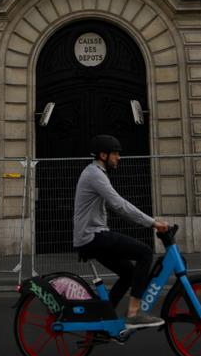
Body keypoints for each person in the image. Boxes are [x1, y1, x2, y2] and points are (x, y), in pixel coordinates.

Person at [73, 134, 170, 329]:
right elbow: (119, 205)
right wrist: (153, 223)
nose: (119, 157)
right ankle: (133, 313)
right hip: (93, 236)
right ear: (103, 155)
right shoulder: (95, 174)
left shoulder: (96, 172)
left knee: (128, 274)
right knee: (145, 253)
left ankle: (105, 317)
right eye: (115, 153)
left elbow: (116, 206)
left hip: (90, 236)